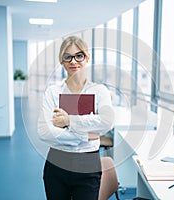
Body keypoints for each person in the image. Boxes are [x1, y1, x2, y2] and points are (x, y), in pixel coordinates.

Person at [37, 36, 115, 200]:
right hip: (56, 164)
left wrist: (68, 121)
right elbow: (44, 132)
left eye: (79, 56)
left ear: (86, 58)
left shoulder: (99, 91)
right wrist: (86, 134)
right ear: (62, 61)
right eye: (68, 57)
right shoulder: (53, 92)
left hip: (88, 164)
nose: (73, 61)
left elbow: (107, 122)